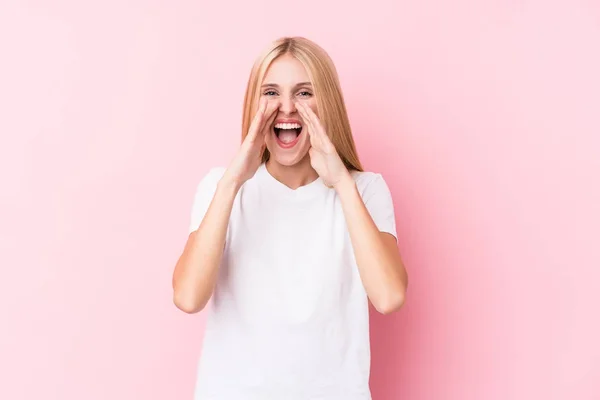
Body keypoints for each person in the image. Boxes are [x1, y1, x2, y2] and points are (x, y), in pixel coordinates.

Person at [172, 36, 408, 400]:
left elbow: (389, 296)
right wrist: (233, 180)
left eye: (303, 93)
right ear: (254, 104)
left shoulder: (366, 190)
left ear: (326, 102)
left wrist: (342, 182)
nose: (286, 108)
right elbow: (188, 297)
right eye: (270, 93)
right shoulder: (220, 188)